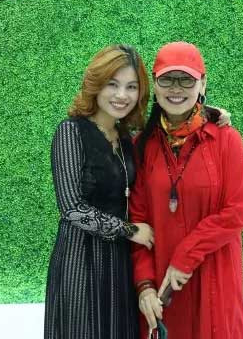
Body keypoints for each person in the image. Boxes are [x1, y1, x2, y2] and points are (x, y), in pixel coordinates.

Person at [130, 41, 243, 339]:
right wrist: (145, 286)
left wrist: (185, 256)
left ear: (202, 83)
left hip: (214, 279)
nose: (176, 88)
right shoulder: (142, 146)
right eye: (167, 79)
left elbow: (235, 214)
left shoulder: (226, 140)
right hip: (164, 287)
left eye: (186, 79)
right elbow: (138, 222)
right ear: (155, 85)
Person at [44, 44, 154, 339]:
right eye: (112, 84)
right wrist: (130, 230)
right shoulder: (70, 132)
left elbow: (169, 125)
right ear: (96, 84)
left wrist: (209, 112)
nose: (122, 95)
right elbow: (71, 207)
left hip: (119, 262)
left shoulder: (127, 138)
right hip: (80, 260)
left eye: (131, 87)